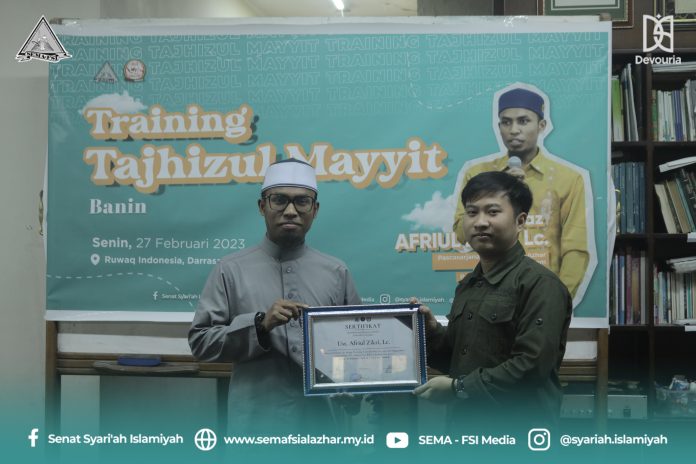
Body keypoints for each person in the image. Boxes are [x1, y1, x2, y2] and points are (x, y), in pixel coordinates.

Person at [188, 158, 361, 435]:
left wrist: (354, 384)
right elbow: (201, 343)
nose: (290, 211)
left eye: (302, 202)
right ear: (262, 206)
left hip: (322, 427)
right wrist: (259, 325)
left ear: (315, 210)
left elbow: (355, 347)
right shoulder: (229, 270)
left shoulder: (337, 272)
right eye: (279, 200)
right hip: (255, 427)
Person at [416, 171, 572, 426]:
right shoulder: (468, 285)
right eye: (472, 212)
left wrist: (458, 388)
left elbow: (531, 367)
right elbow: (458, 360)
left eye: (492, 212)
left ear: (520, 221)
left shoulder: (540, 284)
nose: (480, 222)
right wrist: (431, 332)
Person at [452, 84, 593, 303]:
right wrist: (499, 188)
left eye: (523, 121)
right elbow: (462, 235)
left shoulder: (568, 179)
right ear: (499, 127)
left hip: (541, 294)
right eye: (506, 122)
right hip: (489, 294)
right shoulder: (477, 173)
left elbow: (576, 249)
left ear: (541, 125)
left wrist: (555, 299)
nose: (514, 130)